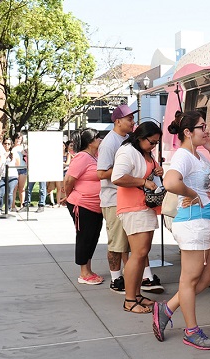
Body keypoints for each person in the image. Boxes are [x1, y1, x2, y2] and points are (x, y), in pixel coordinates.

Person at [155, 111, 210, 349]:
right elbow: (170, 182)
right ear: (187, 132)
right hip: (192, 223)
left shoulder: (199, 156)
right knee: (190, 279)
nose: (206, 130)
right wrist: (192, 194)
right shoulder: (183, 155)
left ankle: (167, 308)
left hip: (206, 221)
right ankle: (191, 331)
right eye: (202, 127)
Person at [97, 105, 163, 294]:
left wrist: (154, 171)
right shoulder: (113, 144)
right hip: (116, 200)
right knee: (120, 245)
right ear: (117, 121)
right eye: (129, 119)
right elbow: (104, 173)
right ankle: (119, 281)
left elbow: (146, 167)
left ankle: (142, 280)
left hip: (139, 203)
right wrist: (137, 177)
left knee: (139, 250)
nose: (133, 122)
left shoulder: (133, 144)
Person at [111, 121, 164, 314]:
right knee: (139, 254)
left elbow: (148, 172)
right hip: (133, 208)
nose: (154, 146)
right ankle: (130, 300)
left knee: (142, 253)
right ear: (141, 138)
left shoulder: (144, 152)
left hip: (143, 206)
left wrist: (158, 171)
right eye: (152, 142)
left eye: (157, 143)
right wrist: (143, 182)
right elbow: (117, 177)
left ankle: (136, 294)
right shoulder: (127, 151)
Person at [60, 129, 105, 285]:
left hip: (96, 205)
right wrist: (69, 195)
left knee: (93, 237)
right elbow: (68, 180)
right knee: (84, 237)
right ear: (90, 142)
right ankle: (83, 273)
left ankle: (89, 269)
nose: (100, 139)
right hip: (82, 204)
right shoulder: (82, 157)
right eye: (97, 137)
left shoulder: (96, 157)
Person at [0, 137, 19, 213]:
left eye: (8, 144)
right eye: (5, 143)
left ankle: (8, 208)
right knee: (0, 193)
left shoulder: (14, 154)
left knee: (9, 193)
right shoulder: (1, 154)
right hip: (2, 176)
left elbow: (17, 165)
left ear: (11, 145)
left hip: (12, 176)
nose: (7, 145)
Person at [10, 135, 27, 210]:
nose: (18, 140)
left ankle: (22, 205)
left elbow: (28, 156)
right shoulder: (11, 147)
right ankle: (13, 205)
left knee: (22, 188)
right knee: (14, 188)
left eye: (20, 138)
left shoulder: (24, 147)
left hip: (23, 168)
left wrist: (25, 153)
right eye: (17, 138)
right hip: (14, 169)